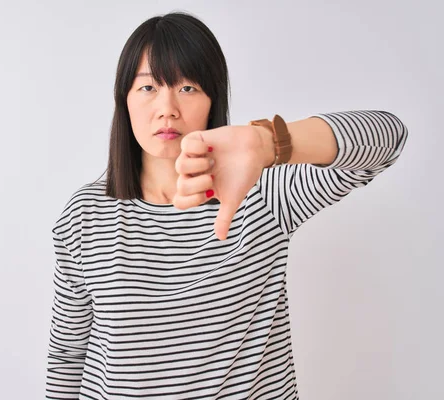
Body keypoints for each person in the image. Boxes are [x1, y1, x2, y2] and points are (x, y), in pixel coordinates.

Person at [45, 11, 408, 400]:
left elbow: (387, 137)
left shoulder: (263, 193)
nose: (167, 107)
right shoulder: (86, 214)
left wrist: (266, 142)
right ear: (124, 99)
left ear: (213, 98)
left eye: (188, 88)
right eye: (148, 87)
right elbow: (68, 355)